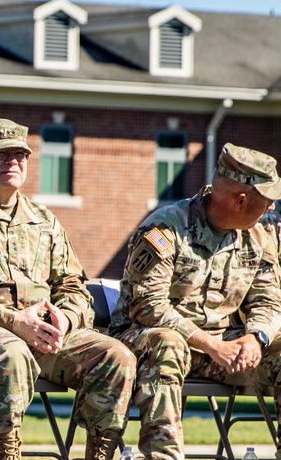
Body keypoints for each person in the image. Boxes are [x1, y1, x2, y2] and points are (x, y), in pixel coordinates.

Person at [0, 118, 135, 460]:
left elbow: (74, 286)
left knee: (116, 356)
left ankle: (100, 454)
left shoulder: (43, 220)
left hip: (45, 334)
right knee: (11, 351)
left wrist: (65, 319)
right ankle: (8, 454)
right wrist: (15, 321)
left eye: (20, 155)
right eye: (2, 154)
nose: (13, 162)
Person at [110, 143, 281, 460]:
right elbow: (146, 306)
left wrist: (256, 339)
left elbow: (268, 301)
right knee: (168, 344)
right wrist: (210, 344)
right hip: (147, 340)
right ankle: (163, 456)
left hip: (223, 348)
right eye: (267, 200)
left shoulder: (259, 237)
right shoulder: (167, 228)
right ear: (240, 200)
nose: (272, 208)